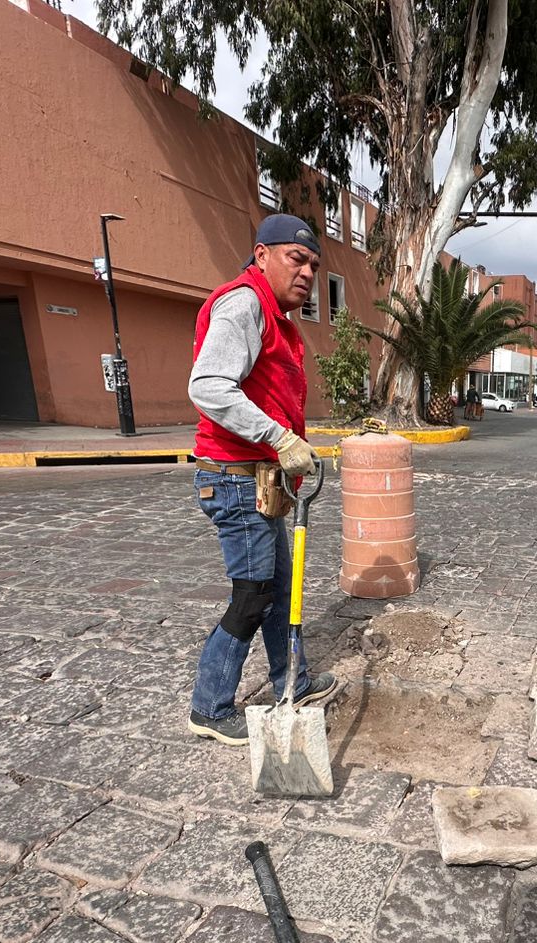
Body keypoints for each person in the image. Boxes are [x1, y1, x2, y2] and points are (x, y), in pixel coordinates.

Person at [185, 214, 338, 744]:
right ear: (262, 254)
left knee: (281, 585)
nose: (307, 273)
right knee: (253, 594)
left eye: (314, 266)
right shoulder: (244, 303)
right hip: (233, 477)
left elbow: (264, 392)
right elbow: (208, 386)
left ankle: (290, 681)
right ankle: (208, 707)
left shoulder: (277, 318)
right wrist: (280, 439)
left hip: (261, 477)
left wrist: (289, 445)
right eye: (296, 259)